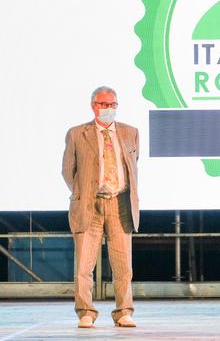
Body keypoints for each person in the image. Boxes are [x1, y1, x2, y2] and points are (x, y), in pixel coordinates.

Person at [62, 86, 140, 329]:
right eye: (104, 104)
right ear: (93, 106)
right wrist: (83, 193)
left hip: (120, 203)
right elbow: (68, 170)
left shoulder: (130, 132)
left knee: (123, 264)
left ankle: (124, 311)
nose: (109, 109)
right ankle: (86, 312)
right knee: (84, 265)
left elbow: (132, 165)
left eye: (113, 104)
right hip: (90, 204)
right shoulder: (77, 133)